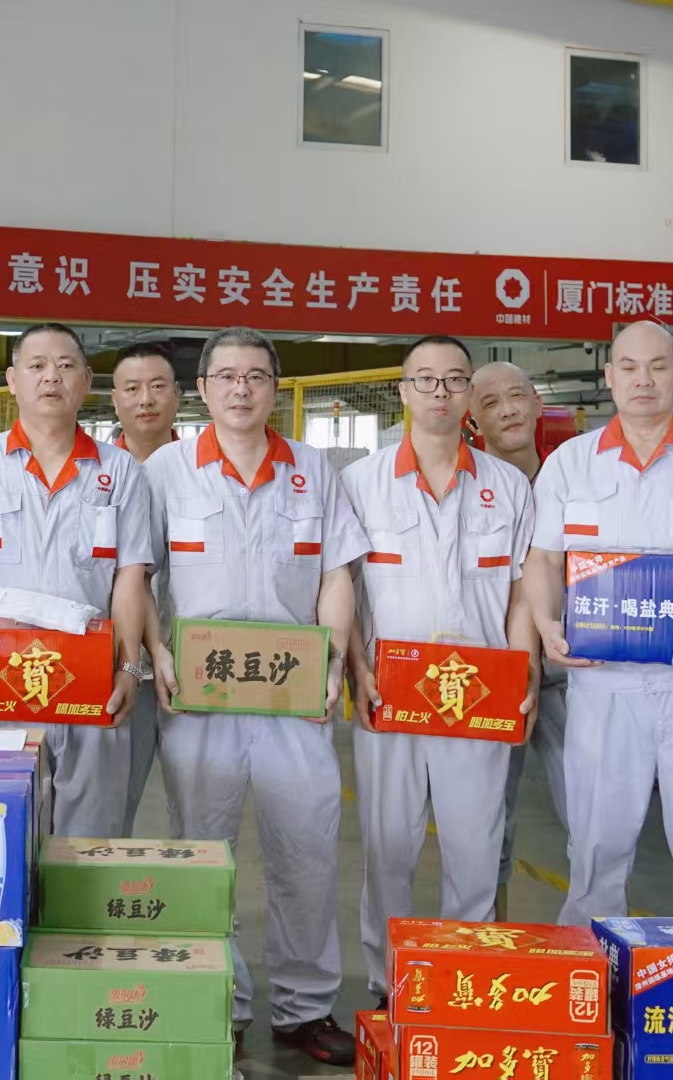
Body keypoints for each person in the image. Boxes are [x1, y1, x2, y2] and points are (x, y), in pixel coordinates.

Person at [143, 326, 365, 1066]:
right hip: (198, 699)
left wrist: (331, 663)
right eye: (227, 376)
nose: (241, 389)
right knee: (204, 855)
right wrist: (156, 654)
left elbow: (336, 573)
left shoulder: (312, 469)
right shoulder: (167, 470)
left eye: (257, 376)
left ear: (274, 387)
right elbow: (138, 576)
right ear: (203, 389)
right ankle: (220, 1002)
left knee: (306, 851)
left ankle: (305, 1008)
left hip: (292, 697)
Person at [521, 321, 673, 924]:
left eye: (658, 366)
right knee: (595, 850)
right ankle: (590, 974)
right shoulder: (571, 462)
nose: (644, 379)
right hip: (603, 683)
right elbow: (543, 560)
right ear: (609, 377)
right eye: (629, 367)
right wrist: (546, 623)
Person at [346, 337, 536, 1009]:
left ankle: (466, 987)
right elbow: (343, 589)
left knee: (475, 850)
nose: (439, 392)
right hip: (388, 697)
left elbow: (522, 594)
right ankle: (388, 988)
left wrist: (524, 674)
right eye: (424, 379)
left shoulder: (508, 487)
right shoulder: (361, 484)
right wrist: (357, 668)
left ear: (468, 397)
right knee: (388, 851)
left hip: (480, 697)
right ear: (403, 391)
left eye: (454, 380)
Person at [0, 324, 156, 837]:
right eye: (36, 366)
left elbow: (130, 579)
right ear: (12, 380)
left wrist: (128, 667)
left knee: (88, 845)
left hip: (91, 686)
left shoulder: (121, 472)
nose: (51, 377)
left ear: (86, 381)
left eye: (65, 365)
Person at [468, 361, 569, 920]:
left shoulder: (576, 479)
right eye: (490, 403)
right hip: (493, 678)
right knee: (488, 826)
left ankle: (605, 948)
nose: (507, 410)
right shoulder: (465, 488)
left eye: (516, 396)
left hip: (573, 672)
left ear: (536, 402)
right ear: (472, 418)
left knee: (596, 819)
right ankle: (491, 945)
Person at [108, 340, 181, 830]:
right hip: (119, 667)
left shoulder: (203, 469)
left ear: (178, 394)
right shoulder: (95, 472)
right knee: (114, 804)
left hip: (196, 667)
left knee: (200, 810)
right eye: (132, 388)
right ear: (114, 399)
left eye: (157, 386)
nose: (146, 399)